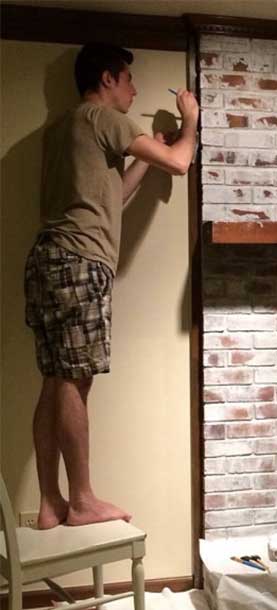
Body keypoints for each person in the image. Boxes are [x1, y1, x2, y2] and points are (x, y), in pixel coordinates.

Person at [24, 42, 199, 529]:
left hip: (46, 261)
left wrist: (146, 155)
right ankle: (82, 499)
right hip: (80, 264)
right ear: (106, 79)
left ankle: (50, 503)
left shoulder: (62, 128)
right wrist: (190, 121)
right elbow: (183, 163)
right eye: (127, 80)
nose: (134, 90)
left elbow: (108, 200)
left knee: (56, 378)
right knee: (75, 380)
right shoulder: (105, 118)